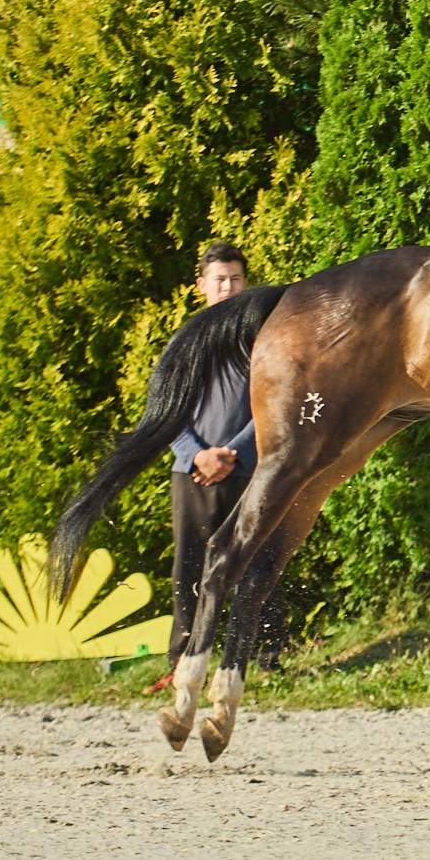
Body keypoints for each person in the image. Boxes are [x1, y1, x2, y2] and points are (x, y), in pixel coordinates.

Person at [169, 243, 286, 668]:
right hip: (192, 473)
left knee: (258, 561)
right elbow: (168, 411)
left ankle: (266, 657)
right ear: (201, 285)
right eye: (219, 279)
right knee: (189, 568)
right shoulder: (185, 342)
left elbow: (271, 404)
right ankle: (182, 660)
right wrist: (197, 456)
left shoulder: (261, 338)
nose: (228, 287)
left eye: (236, 279)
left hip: (251, 469)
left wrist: (233, 453)